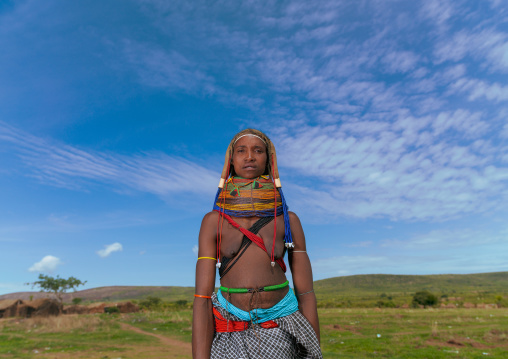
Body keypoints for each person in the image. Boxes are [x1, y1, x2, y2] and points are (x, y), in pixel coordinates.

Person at [192, 129, 322, 359]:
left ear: (268, 160)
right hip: (229, 329)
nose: (249, 156)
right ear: (231, 161)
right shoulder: (213, 221)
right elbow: (202, 298)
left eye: (258, 150)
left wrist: (313, 352)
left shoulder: (288, 220)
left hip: (280, 328)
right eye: (241, 151)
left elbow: (307, 293)